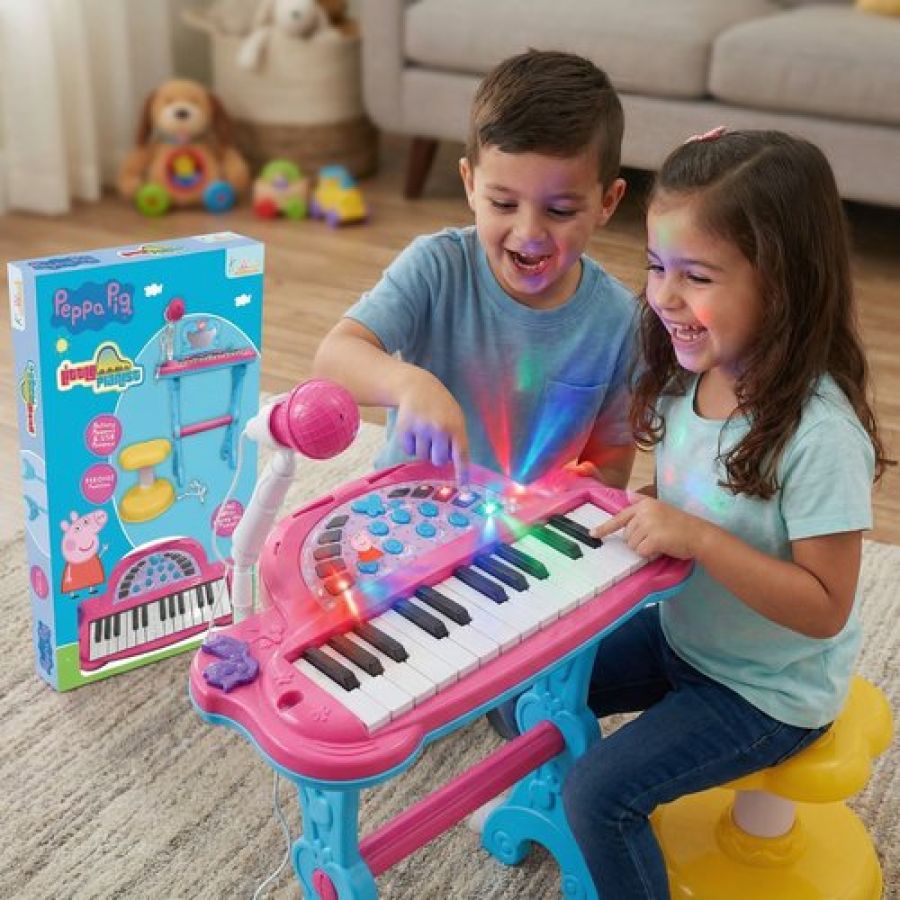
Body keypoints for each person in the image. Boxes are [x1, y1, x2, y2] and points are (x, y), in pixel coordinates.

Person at [553, 129, 891, 898]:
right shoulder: (692, 376)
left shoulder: (821, 436)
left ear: (783, 283)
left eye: (696, 275)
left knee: (598, 795)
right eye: (656, 266)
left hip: (769, 692)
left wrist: (699, 538)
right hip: (686, 639)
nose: (665, 296)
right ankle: (561, 816)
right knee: (529, 687)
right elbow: (695, 493)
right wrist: (644, 510)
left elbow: (825, 608)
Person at [313, 49, 637, 489]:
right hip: (408, 507)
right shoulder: (436, 267)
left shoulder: (620, 321)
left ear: (608, 202)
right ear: (469, 183)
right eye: (503, 203)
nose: (529, 232)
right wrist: (408, 384)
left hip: (527, 523)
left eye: (560, 210)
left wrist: (579, 493)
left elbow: (611, 463)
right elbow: (333, 359)